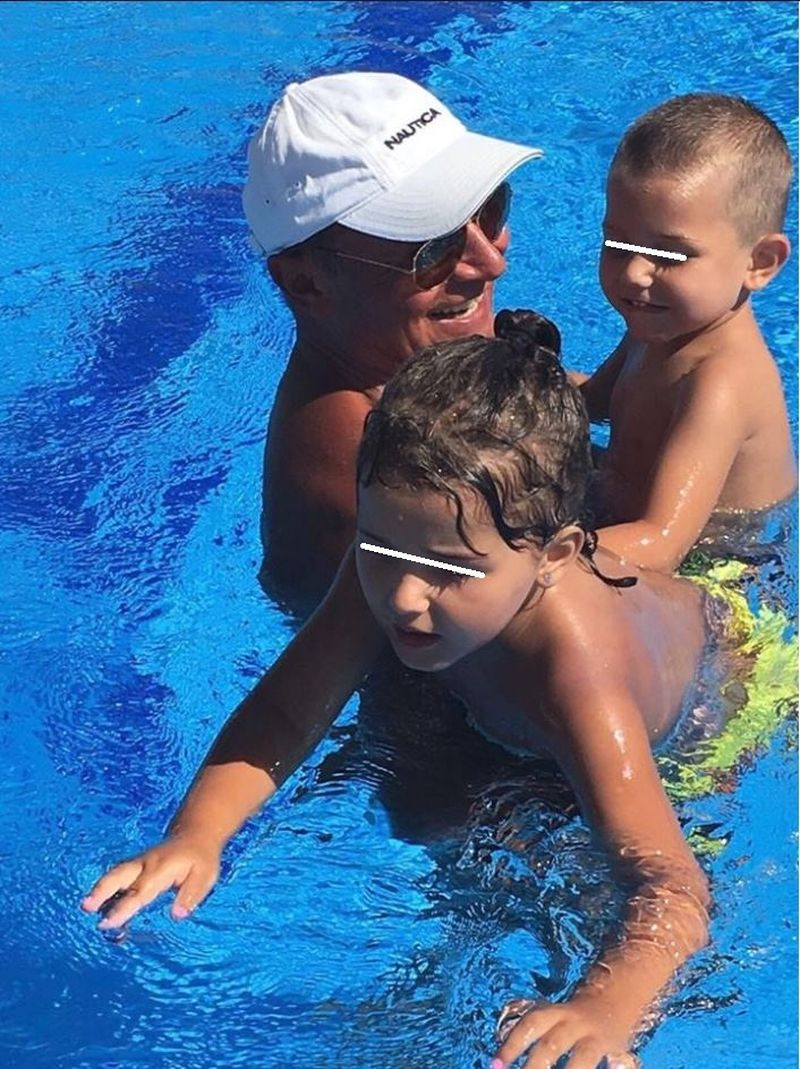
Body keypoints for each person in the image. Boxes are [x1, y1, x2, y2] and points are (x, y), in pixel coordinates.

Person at [83, 312, 732, 1068]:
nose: (403, 596)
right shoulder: (399, 561)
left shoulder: (579, 677)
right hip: (496, 684)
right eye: (380, 546)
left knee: (575, 902)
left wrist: (603, 1009)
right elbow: (289, 708)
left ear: (554, 556)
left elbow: (669, 885)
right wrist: (198, 833)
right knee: (424, 810)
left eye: (451, 570)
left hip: (710, 700)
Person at [244, 70, 543, 612]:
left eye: (489, 210)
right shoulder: (377, 480)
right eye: (433, 247)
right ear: (306, 283)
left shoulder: (419, 378)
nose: (489, 262)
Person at [573, 93, 796, 573]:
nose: (633, 273)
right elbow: (589, 403)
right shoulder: (656, 324)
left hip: (714, 569)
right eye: (617, 244)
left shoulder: (722, 382)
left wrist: (531, 561)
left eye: (670, 256)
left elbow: (662, 543)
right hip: (623, 517)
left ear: (759, 263)